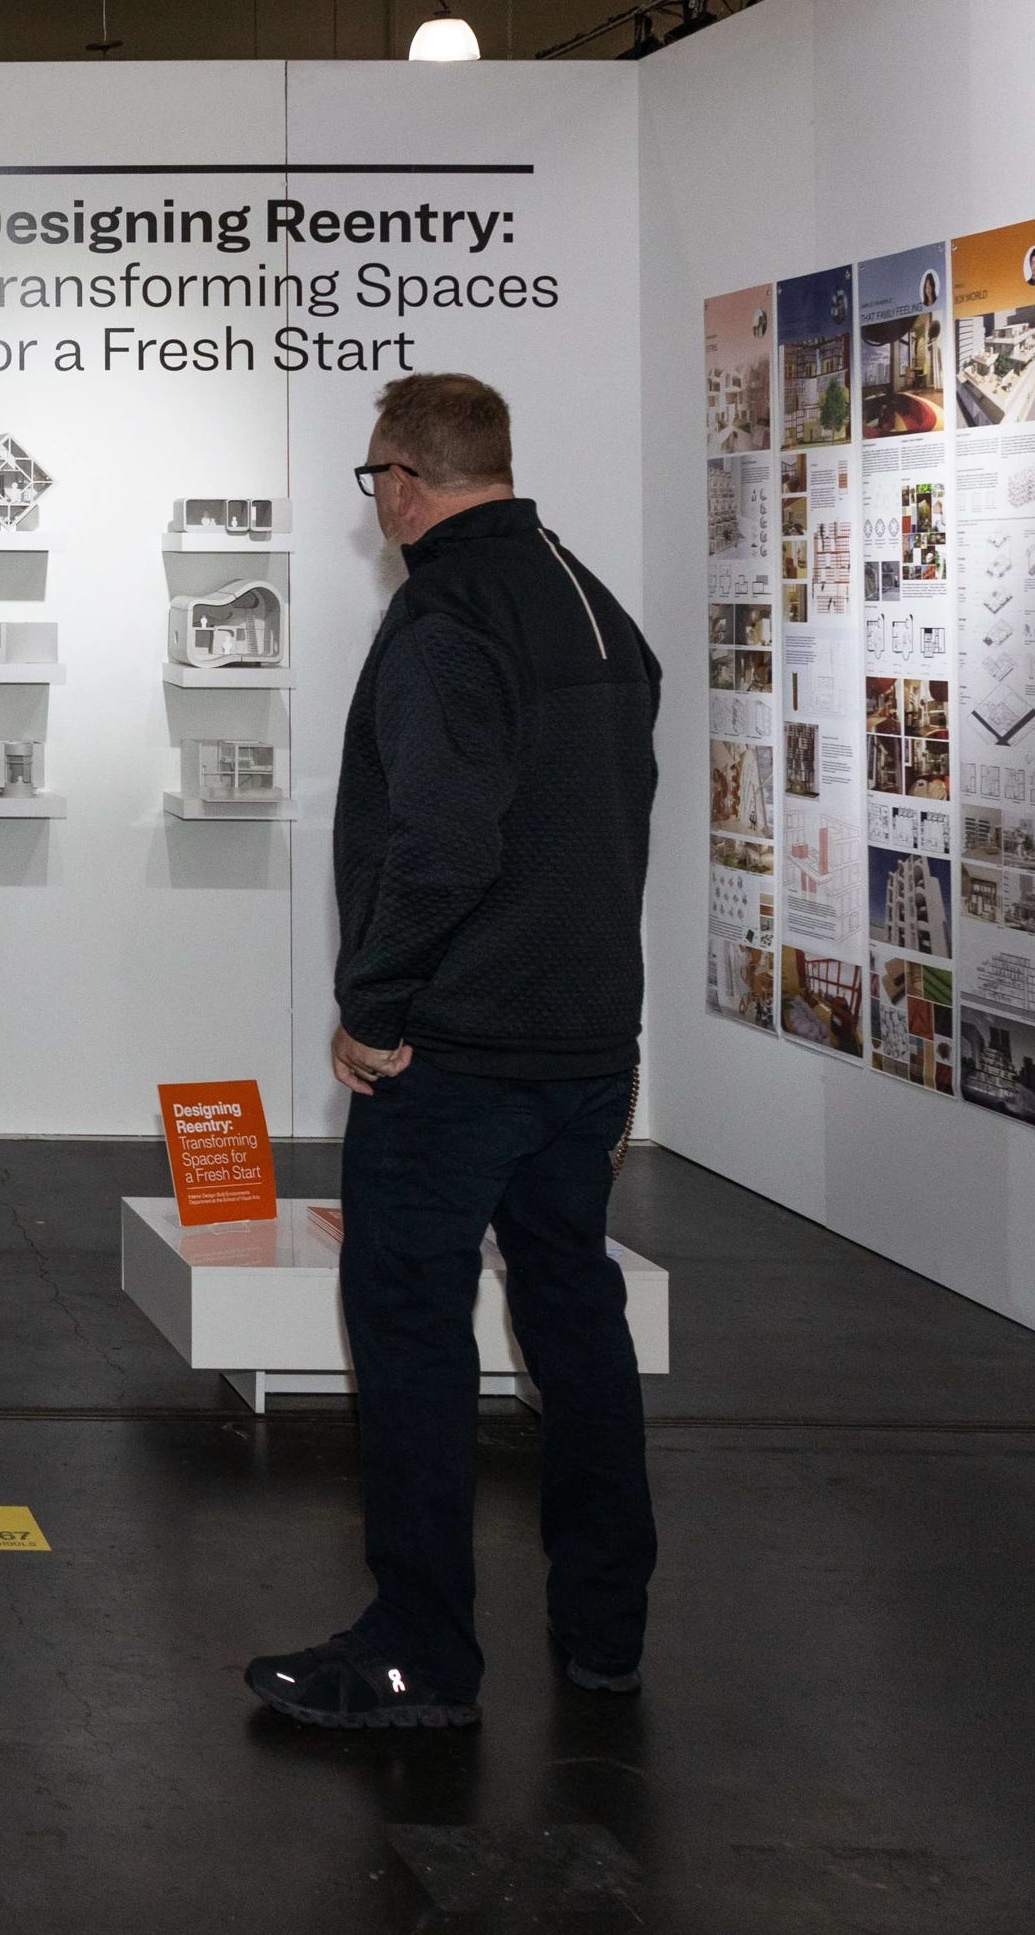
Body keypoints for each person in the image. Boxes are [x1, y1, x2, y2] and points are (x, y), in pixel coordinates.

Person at [246, 373, 663, 1732]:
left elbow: (442, 842)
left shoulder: (442, 618)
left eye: (375, 482)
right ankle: (606, 1626)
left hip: (458, 1054)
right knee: (572, 1319)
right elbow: (615, 847)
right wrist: (620, 1033)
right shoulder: (599, 611)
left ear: (407, 481)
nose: (378, 506)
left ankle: (420, 1654)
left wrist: (374, 1005)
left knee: (412, 1332)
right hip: (584, 1048)